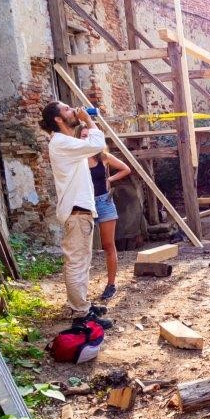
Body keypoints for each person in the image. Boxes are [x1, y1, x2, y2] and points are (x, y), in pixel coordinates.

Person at [38, 102, 112, 329]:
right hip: (77, 212)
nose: (73, 111)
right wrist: (88, 120)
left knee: (82, 262)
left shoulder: (68, 142)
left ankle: (82, 304)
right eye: (67, 109)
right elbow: (98, 144)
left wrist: (84, 123)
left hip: (80, 211)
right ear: (58, 119)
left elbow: (92, 146)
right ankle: (81, 314)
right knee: (77, 263)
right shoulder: (61, 142)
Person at [75, 125, 131, 301]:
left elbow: (126, 168)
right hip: (85, 204)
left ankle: (111, 284)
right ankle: (80, 290)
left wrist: (110, 179)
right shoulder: (76, 158)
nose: (86, 139)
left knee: (108, 245)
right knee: (83, 249)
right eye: (82, 136)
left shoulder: (103, 156)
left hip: (104, 202)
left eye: (88, 136)